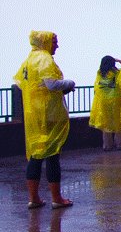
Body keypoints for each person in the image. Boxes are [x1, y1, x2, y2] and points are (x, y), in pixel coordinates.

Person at [14, 31, 75, 209]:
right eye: (54, 41)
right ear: (45, 41)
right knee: (52, 155)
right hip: (49, 114)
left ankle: (34, 198)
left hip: (33, 114)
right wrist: (70, 83)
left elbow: (21, 83)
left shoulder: (28, 60)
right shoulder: (45, 59)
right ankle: (57, 198)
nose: (56, 45)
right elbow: (51, 84)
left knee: (35, 155)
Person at [89, 55, 121, 151]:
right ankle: (119, 144)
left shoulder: (100, 73)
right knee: (118, 122)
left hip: (103, 101)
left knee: (106, 123)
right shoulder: (117, 72)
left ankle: (107, 145)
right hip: (115, 100)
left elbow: (96, 87)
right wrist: (120, 61)